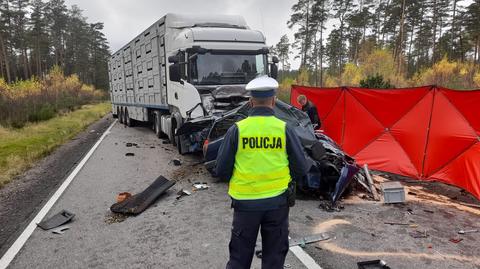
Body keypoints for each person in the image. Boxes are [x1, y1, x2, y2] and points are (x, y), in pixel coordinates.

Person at [215, 76, 309, 269]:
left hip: (245, 204)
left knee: (239, 259)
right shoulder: (284, 129)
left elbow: (221, 170)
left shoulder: (237, 130)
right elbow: (301, 166)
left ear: (250, 102)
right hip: (277, 204)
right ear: (273, 101)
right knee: (274, 258)